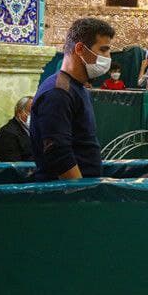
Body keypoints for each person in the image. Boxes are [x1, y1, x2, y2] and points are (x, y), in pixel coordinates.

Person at [29, 18, 115, 181]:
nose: (108, 57)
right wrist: (81, 191)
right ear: (80, 49)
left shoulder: (78, 88)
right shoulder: (58, 92)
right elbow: (58, 154)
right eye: (103, 50)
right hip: (65, 193)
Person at [0, 96, 34, 162]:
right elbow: (14, 163)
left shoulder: (32, 130)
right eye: (31, 113)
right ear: (19, 112)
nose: (35, 117)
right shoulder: (7, 133)